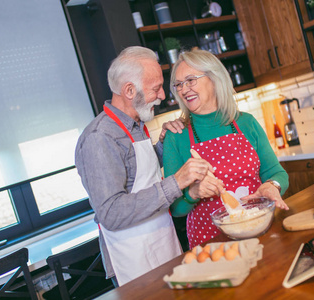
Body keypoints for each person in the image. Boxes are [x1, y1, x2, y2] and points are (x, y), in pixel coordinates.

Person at [75, 46, 214, 286]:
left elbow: (137, 174)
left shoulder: (135, 124)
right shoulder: (99, 138)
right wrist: (177, 182)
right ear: (129, 90)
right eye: (156, 88)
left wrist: (161, 146)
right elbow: (111, 213)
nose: (163, 96)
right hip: (134, 260)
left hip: (163, 242)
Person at [163, 49, 289, 249]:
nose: (183, 89)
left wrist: (272, 186)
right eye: (178, 84)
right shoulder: (175, 137)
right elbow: (174, 208)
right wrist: (193, 193)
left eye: (190, 80)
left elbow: (276, 172)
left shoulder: (246, 122)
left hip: (260, 230)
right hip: (210, 243)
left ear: (214, 78)